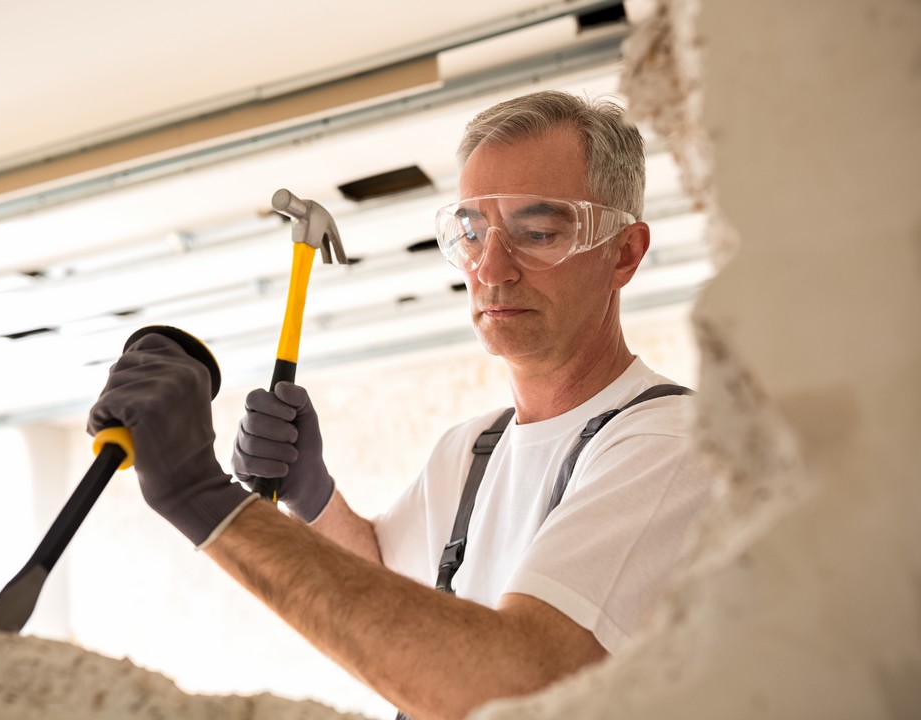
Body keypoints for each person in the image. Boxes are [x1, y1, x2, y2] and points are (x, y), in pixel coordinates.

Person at [88, 90, 711, 720]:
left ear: (624, 253)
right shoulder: (472, 450)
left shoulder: (674, 445)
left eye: (538, 233)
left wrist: (200, 497)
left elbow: (521, 684)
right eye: (473, 233)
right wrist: (314, 496)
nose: (492, 269)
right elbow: (388, 585)